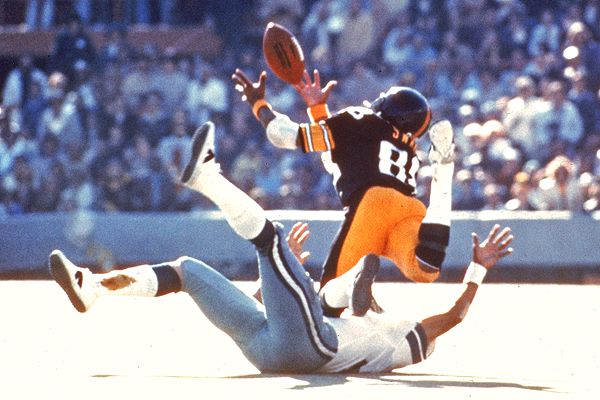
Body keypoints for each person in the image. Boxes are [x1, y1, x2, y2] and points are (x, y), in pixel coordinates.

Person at [50, 121, 513, 373]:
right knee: (187, 270)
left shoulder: (403, 341)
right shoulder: (386, 337)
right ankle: (95, 289)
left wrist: (478, 270)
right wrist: (279, 272)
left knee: (270, 238)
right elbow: (261, 303)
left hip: (314, 346)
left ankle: (207, 179)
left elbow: (453, 317)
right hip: (269, 346)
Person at [231, 68, 455, 315]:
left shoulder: (360, 119)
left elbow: (282, 135)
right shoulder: (409, 148)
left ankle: (349, 286)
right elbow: (336, 158)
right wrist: (318, 110)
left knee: (328, 303)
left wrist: (258, 104)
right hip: (409, 207)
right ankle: (444, 169)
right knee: (424, 268)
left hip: (373, 205)